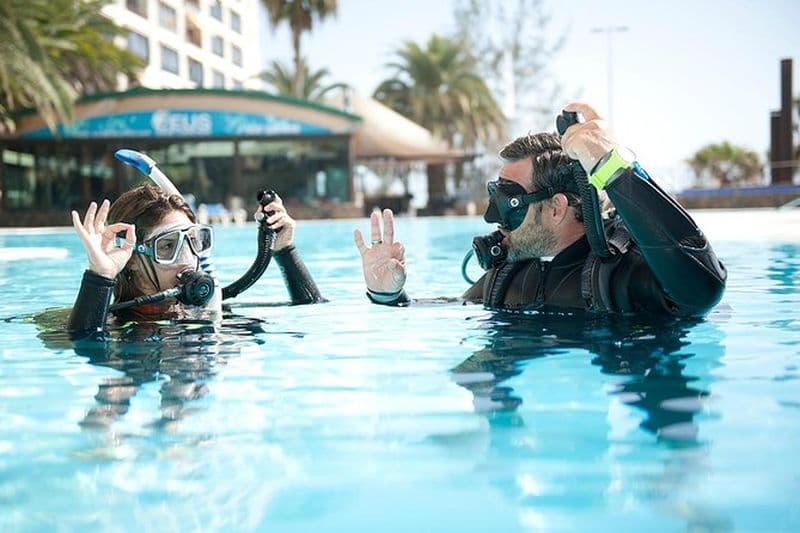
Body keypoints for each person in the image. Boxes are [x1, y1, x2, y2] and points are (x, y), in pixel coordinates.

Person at [354, 102, 726, 316]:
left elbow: (702, 289)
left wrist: (613, 167)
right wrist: (388, 295)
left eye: (508, 203)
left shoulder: (617, 276)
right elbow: (439, 311)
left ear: (556, 208)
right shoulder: (511, 277)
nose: (492, 218)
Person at [68, 184, 323, 337]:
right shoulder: (109, 323)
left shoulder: (211, 311)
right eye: (167, 246)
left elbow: (310, 313)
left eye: (194, 240)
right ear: (132, 259)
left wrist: (285, 251)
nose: (188, 258)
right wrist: (100, 275)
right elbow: (84, 342)